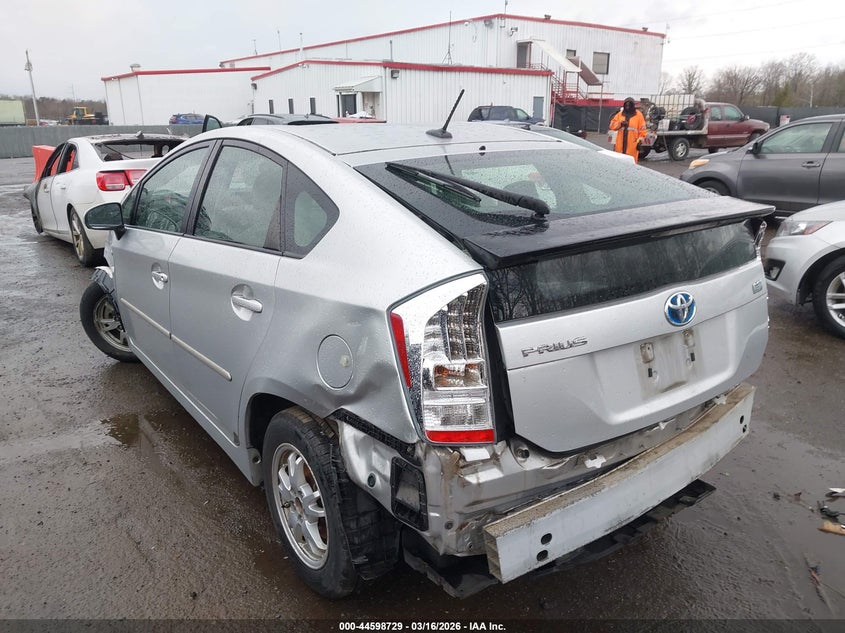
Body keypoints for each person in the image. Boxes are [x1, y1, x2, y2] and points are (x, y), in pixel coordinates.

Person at [608, 97, 647, 163]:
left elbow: (642, 130)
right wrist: (620, 124)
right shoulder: (620, 114)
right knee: (620, 163)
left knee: (631, 164)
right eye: (626, 105)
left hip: (632, 146)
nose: (628, 107)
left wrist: (640, 141)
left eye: (630, 105)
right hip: (620, 146)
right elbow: (612, 126)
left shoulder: (638, 115)